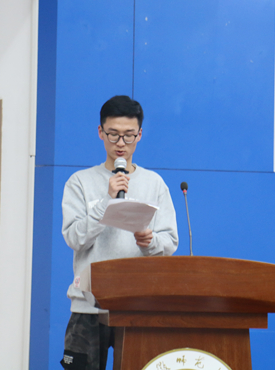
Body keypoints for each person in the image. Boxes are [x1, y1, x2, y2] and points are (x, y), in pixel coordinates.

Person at [60, 95, 179, 370]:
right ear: (100, 132)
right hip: (88, 307)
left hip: (138, 306)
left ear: (140, 135)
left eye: (129, 135)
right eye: (113, 134)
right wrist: (107, 200)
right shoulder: (80, 182)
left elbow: (170, 242)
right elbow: (74, 238)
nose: (121, 143)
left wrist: (150, 242)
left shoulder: (154, 183)